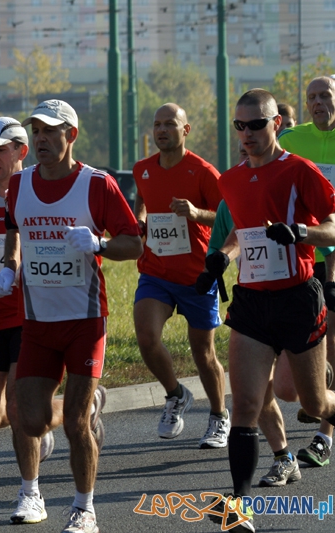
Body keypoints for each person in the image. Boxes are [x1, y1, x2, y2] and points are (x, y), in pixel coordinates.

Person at [0, 117, 107, 525]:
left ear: (20, 152)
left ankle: (30, 493)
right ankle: (81, 409)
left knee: (19, 410)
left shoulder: (33, 191)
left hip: (32, 317)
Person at [0, 100, 142, 533]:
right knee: (27, 416)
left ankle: (83, 508)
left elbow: (133, 245)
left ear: (71, 136)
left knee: (76, 422)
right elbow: (13, 230)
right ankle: (32, 494)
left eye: (49, 131)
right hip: (37, 321)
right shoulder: (18, 186)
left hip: (84, 319)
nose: (39, 138)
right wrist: (9, 266)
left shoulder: (98, 185)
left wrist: (98, 244)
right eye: (35, 131)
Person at [204, 88, 335, 532]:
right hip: (253, 302)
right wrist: (223, 255)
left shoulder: (300, 170)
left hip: (298, 298)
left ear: (276, 123)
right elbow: (241, 233)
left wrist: (300, 232)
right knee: (244, 402)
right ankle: (239, 508)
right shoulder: (231, 180)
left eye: (256, 124)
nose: (247, 134)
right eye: (239, 126)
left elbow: (334, 223)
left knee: (312, 401)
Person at [132, 103, 229, 447]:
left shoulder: (203, 172)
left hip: (196, 274)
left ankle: (219, 416)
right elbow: (143, 200)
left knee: (203, 353)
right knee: (146, 335)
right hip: (155, 270)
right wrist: (141, 218)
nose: (161, 130)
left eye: (169, 124)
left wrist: (196, 212)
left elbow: (227, 219)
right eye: (157, 124)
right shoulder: (142, 168)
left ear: (185, 130)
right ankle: (175, 394)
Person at [278, 76, 335, 467]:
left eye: (325, 95)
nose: (317, 102)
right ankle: (317, 392)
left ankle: (324, 436)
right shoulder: (293, 140)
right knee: (304, 361)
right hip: (306, 252)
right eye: (311, 96)